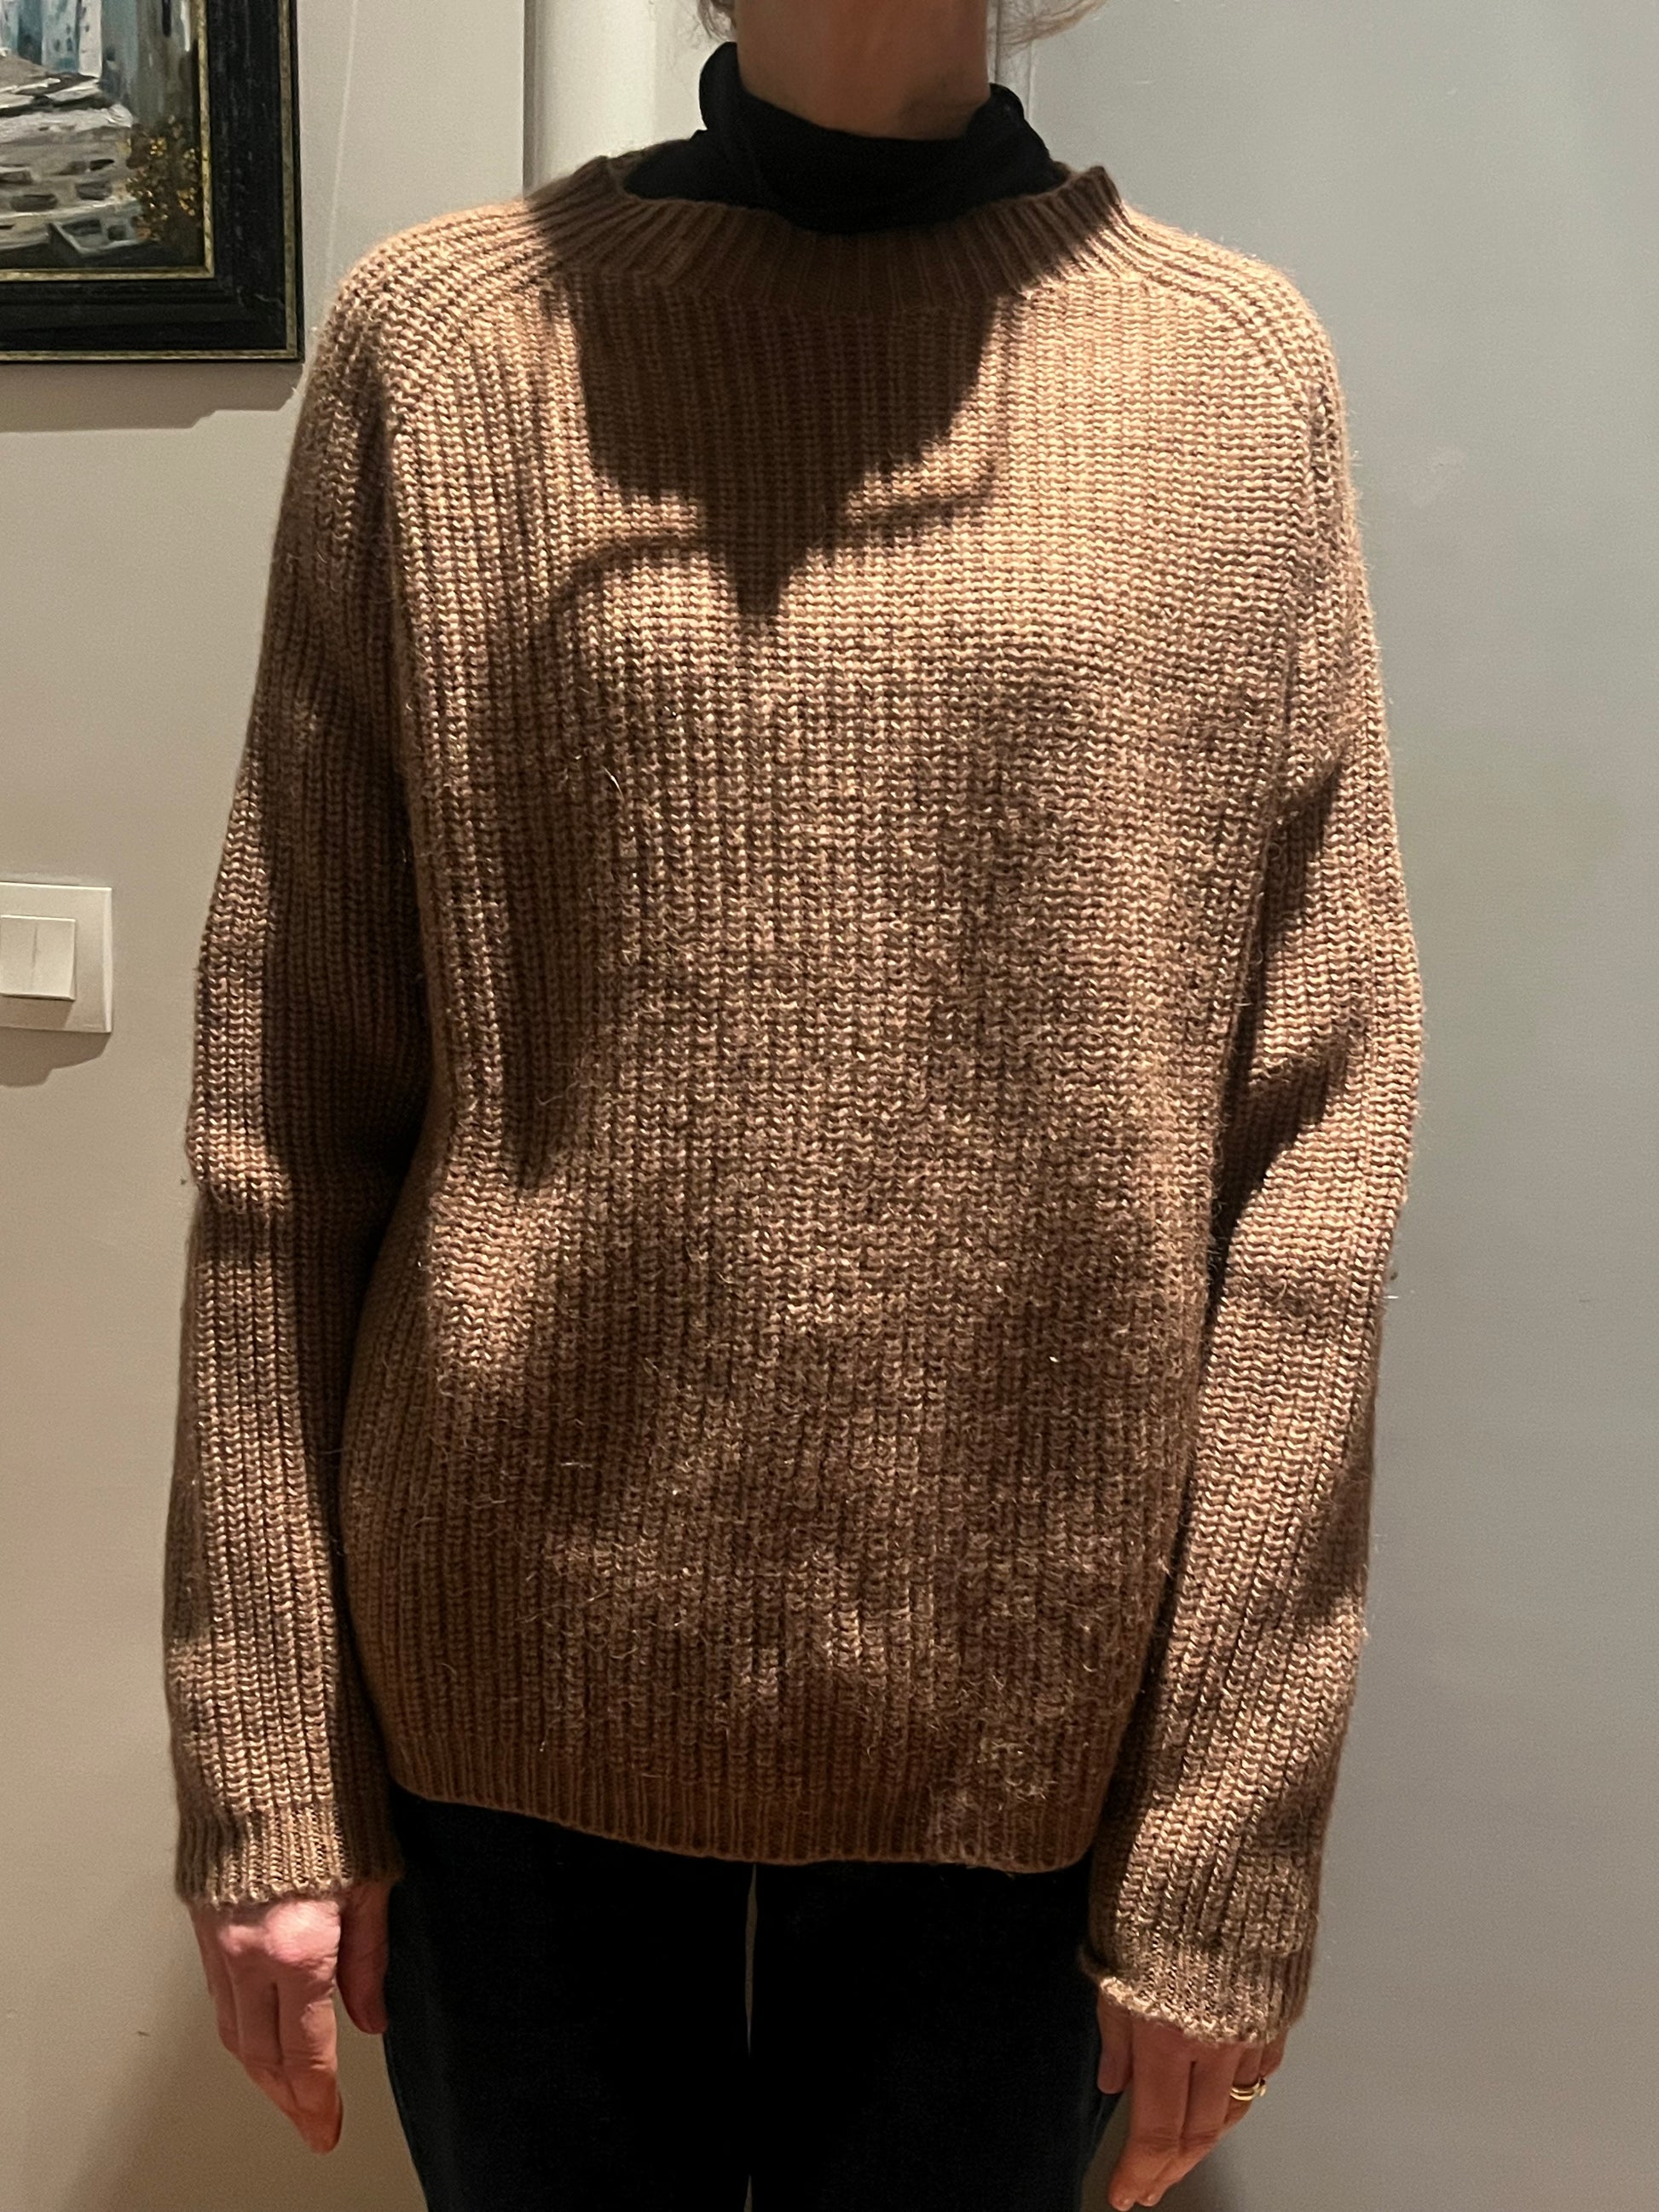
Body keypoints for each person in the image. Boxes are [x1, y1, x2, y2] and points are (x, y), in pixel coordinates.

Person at [163, 1, 1425, 2207]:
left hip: (1024, 1731)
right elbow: (289, 1100)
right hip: (508, 1707)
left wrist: (1225, 1835)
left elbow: (1310, 1155)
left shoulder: (1227, 377)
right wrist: (267, 1751)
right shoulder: (441, 353)